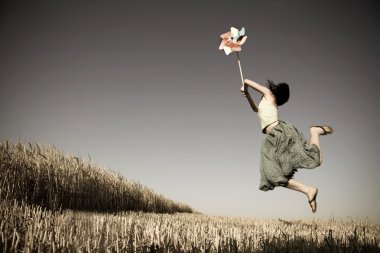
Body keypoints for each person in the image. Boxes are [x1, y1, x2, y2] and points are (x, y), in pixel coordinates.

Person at [240, 79, 333, 213]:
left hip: (281, 134)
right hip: (271, 139)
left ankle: (315, 131)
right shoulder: (265, 102)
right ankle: (308, 190)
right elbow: (255, 109)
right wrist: (247, 95)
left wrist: (246, 87)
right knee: (272, 176)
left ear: (274, 92)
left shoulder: (269, 95)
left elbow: (246, 80)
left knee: (308, 158)